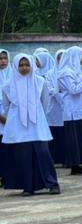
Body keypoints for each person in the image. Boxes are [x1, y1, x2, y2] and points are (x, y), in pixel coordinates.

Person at [0, 53, 60, 196]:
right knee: (23, 155)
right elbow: (7, 106)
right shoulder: (8, 85)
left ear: (32, 65)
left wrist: (37, 115)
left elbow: (45, 103)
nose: (24, 68)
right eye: (21, 65)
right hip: (18, 126)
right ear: (15, 66)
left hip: (37, 124)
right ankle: (28, 186)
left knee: (43, 153)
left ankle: (52, 184)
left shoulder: (40, 82)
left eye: (27, 64)